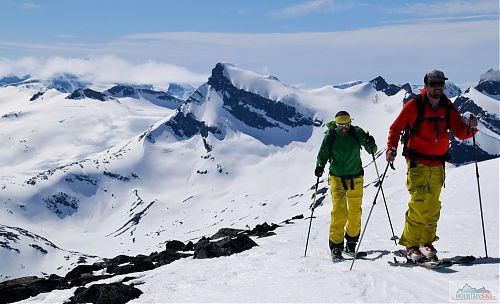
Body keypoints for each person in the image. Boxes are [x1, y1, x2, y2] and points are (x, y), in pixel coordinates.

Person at [386, 69, 478, 262]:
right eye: (434, 84)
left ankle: (426, 242)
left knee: (433, 205)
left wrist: (471, 129)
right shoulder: (414, 105)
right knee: (419, 201)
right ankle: (411, 245)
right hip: (417, 162)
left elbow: (461, 132)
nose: (438, 87)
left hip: (438, 164)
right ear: (426, 85)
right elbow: (396, 128)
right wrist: (391, 148)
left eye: (441, 83)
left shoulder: (447, 107)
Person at [315, 111, 377, 260]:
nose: (344, 128)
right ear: (336, 124)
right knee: (339, 211)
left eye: (347, 125)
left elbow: (371, 151)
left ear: (351, 122)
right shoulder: (330, 136)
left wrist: (371, 143)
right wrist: (319, 166)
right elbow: (322, 154)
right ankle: (336, 246)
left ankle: (351, 243)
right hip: (336, 178)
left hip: (356, 178)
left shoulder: (357, 133)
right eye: (341, 125)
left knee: (355, 212)